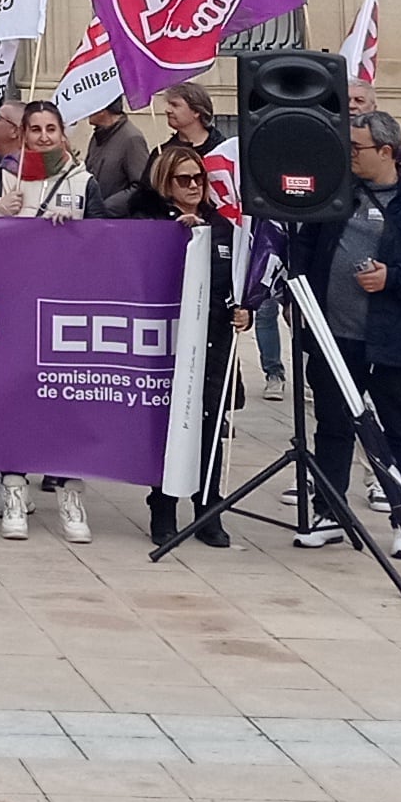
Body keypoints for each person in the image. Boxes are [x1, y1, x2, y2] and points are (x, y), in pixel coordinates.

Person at [296, 111, 401, 553]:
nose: (348, 155)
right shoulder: (336, 197)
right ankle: (329, 511)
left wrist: (394, 278)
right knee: (332, 425)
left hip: (391, 340)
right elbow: (306, 249)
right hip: (335, 338)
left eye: (357, 148)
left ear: (386, 151)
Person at [0, 102, 95, 540]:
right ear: (24, 135)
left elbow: (110, 239)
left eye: (51, 129)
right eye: (36, 129)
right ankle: (14, 488)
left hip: (68, 309)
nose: (44, 137)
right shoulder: (7, 177)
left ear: (63, 134)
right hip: (15, 306)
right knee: (15, 400)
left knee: (67, 402)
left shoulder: (83, 181)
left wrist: (78, 230)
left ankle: (70, 494)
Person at [147, 142, 248, 548]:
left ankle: (209, 511)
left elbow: (238, 278)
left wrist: (246, 310)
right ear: (166, 182)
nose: (193, 186)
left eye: (199, 178)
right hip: (169, 342)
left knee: (210, 424)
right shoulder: (153, 224)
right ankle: (163, 507)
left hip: (215, 340)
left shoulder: (223, 225)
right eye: (184, 179)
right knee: (170, 427)